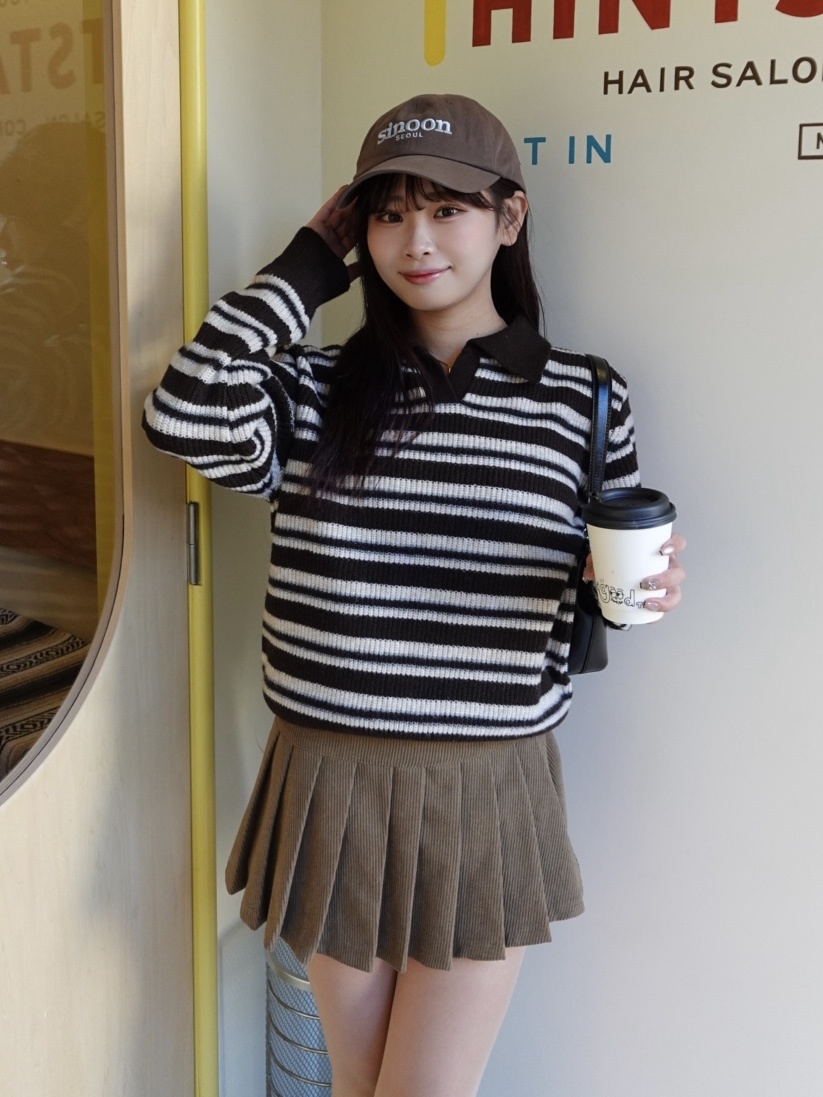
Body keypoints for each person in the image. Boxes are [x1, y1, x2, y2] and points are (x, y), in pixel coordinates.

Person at [143, 93, 686, 1097]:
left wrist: (633, 591)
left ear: (508, 218)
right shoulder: (311, 390)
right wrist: (309, 263)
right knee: (360, 1083)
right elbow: (183, 409)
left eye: (445, 208)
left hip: (484, 784)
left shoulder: (584, 397)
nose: (415, 240)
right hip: (329, 774)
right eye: (387, 214)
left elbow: (605, 590)